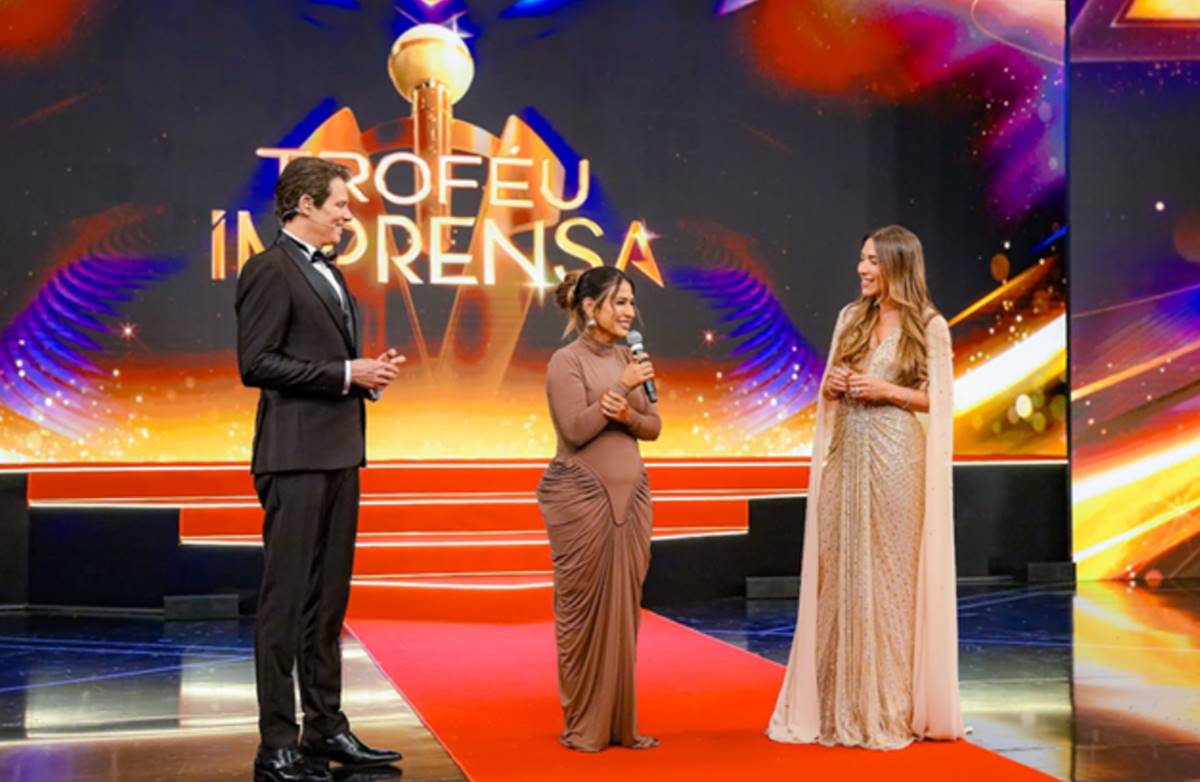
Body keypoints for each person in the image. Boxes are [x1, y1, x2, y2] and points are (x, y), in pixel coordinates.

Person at [237, 156, 404, 782]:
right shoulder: (268, 268)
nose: (347, 215)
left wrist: (366, 376)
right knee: (284, 602)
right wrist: (343, 373)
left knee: (327, 602)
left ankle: (325, 727)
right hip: (294, 457)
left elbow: (324, 364)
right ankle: (276, 743)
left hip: (339, 453)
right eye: (339, 203)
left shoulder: (330, 272)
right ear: (304, 204)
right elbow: (256, 363)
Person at [768, 224, 964, 750]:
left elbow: (940, 401)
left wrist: (888, 391)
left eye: (873, 261)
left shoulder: (930, 325)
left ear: (899, 264)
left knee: (891, 579)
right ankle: (840, 703)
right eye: (862, 259)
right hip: (846, 457)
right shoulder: (850, 318)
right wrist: (832, 385)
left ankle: (890, 706)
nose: (862, 269)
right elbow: (830, 387)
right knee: (843, 573)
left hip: (898, 457)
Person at [537, 266, 662, 751]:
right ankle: (585, 724)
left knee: (624, 615)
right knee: (583, 614)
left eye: (631, 302)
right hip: (581, 500)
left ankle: (621, 725)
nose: (630, 312)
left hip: (632, 501)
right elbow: (575, 430)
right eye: (620, 302)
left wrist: (628, 410)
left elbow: (653, 427)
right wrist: (622, 389)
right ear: (590, 307)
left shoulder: (633, 358)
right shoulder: (565, 362)